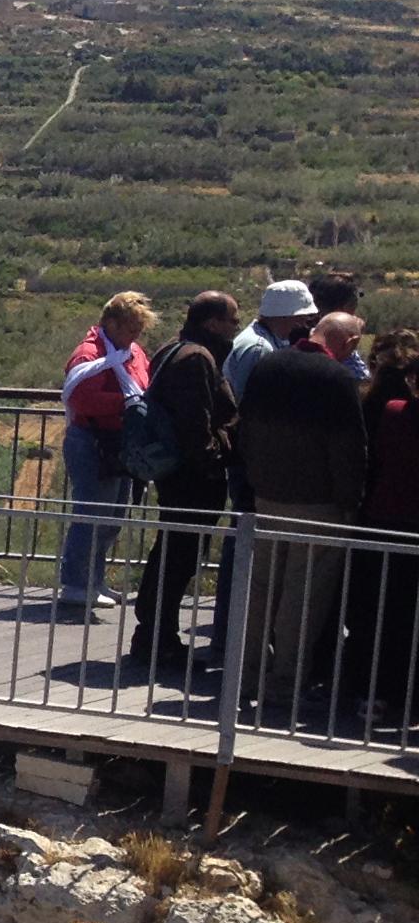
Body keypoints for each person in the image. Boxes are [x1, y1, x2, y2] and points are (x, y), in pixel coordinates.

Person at [233, 335, 370, 724]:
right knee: (303, 595)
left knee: (260, 590)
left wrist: (257, 479)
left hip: (268, 498)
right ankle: (284, 685)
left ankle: (245, 677)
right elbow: (349, 448)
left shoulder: (268, 366)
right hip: (319, 505)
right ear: (349, 341)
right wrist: (350, 501)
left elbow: (247, 429)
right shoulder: (336, 378)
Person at [127, 291, 241, 680]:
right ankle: (158, 640)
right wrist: (218, 455)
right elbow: (197, 429)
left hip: (177, 474)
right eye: (232, 321)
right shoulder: (196, 359)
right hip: (192, 478)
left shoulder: (173, 349)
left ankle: (154, 636)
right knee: (178, 558)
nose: (236, 328)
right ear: (213, 323)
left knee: (171, 553)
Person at [55, 292, 157, 619]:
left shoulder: (131, 352)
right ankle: (76, 583)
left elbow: (144, 383)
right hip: (92, 441)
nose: (136, 334)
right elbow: (83, 399)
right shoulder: (89, 355)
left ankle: (93, 580)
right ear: (110, 323)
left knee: (112, 514)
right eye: (131, 327)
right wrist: (127, 405)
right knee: (92, 512)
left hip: (118, 442)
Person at [340, 331, 419, 734]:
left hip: (385, 519)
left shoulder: (390, 412)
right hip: (403, 522)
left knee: (375, 611)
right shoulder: (390, 411)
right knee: (405, 618)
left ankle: (369, 694)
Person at [226, 280, 319, 413]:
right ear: (285, 315)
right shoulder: (259, 349)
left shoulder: (265, 339)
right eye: (301, 316)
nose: (304, 323)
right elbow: (245, 401)